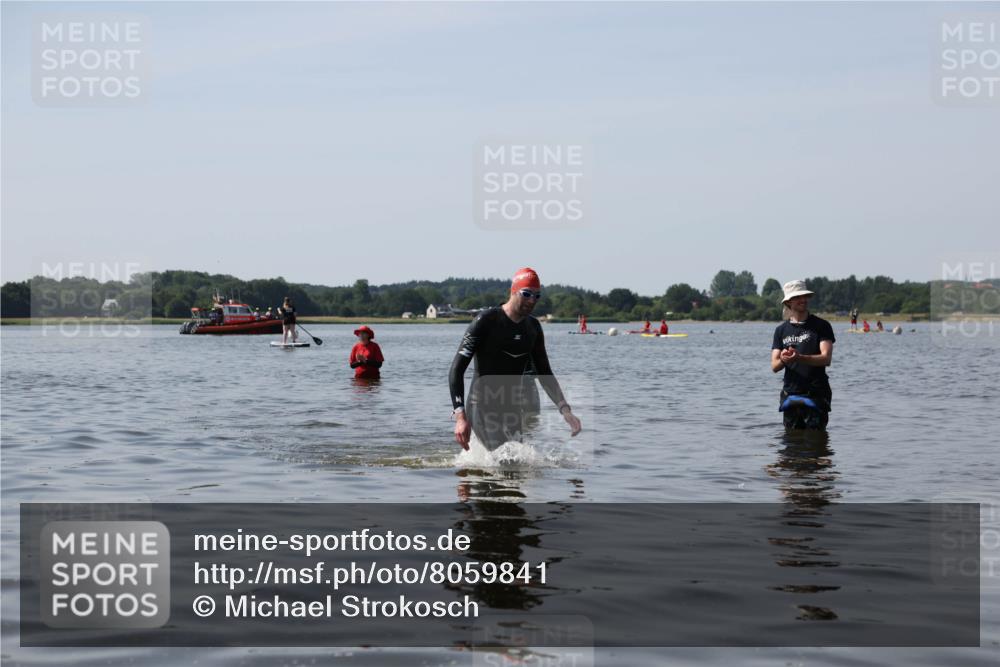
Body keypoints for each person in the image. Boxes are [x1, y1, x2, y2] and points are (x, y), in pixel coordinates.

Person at [449, 267, 582, 451]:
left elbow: (544, 373)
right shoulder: (486, 321)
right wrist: (460, 416)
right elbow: (456, 370)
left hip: (511, 409)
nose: (532, 300)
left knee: (519, 462)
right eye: (526, 294)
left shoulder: (533, 328)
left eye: (537, 296)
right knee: (506, 460)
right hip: (481, 406)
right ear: (513, 291)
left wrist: (566, 411)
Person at [770, 280, 835, 430]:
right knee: (791, 441)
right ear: (788, 302)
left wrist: (799, 358)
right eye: (798, 297)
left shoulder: (821, 326)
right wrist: (784, 359)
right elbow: (774, 366)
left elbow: (826, 358)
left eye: (805, 296)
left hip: (816, 393)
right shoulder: (780, 330)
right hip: (790, 394)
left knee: (816, 440)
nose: (803, 300)